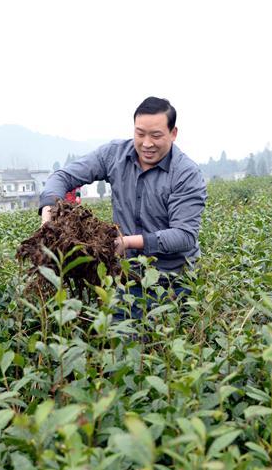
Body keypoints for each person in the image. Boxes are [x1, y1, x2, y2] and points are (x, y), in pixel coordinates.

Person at [39, 96, 207, 318]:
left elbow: (184, 235)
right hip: (128, 276)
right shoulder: (114, 155)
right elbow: (63, 177)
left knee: (168, 344)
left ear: (173, 133)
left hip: (175, 280)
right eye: (140, 134)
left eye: (156, 135)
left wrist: (126, 242)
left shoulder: (186, 174)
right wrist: (49, 211)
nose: (146, 143)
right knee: (121, 343)